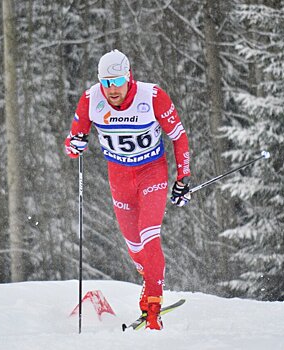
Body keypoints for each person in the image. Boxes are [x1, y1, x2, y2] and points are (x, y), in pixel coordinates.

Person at [64, 49, 192, 330]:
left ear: (129, 78)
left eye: (117, 81)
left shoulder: (152, 97)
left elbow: (178, 136)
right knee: (135, 249)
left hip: (151, 173)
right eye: (105, 82)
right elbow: (73, 142)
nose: (111, 89)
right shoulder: (91, 99)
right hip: (119, 179)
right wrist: (75, 146)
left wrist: (183, 178)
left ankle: (153, 308)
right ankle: (149, 280)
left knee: (149, 235)